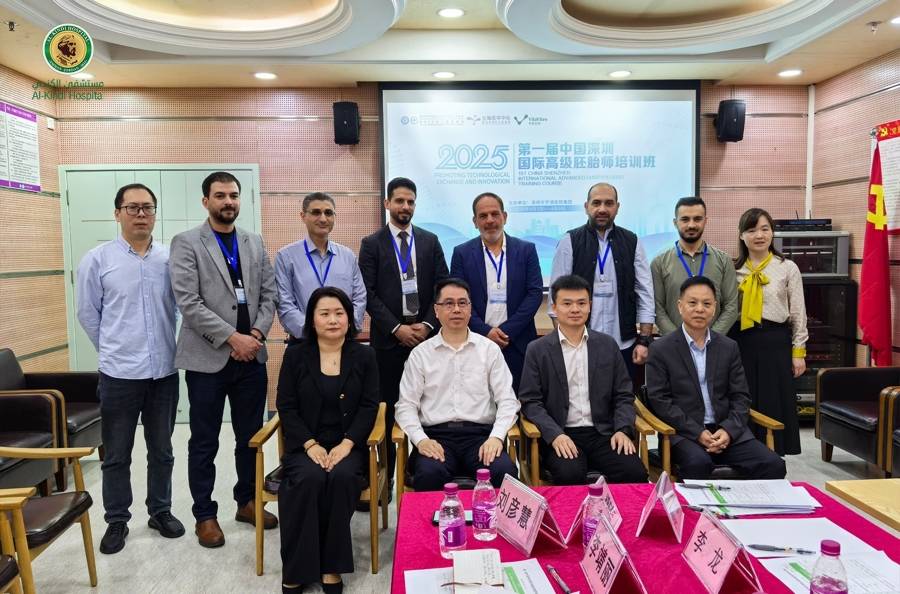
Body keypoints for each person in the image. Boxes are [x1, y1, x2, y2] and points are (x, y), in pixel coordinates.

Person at [169, 171, 278, 548]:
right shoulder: (186, 243)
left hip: (252, 359)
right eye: (220, 195)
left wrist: (256, 336)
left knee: (251, 437)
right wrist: (233, 338)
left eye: (233, 195)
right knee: (204, 440)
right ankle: (205, 514)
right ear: (206, 201)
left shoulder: (253, 241)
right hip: (208, 360)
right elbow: (189, 302)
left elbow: (269, 294)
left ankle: (247, 501)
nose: (228, 201)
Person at [76, 183, 183, 554]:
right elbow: (88, 314)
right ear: (117, 213)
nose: (141, 214)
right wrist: (113, 348)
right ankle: (117, 520)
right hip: (119, 374)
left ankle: (160, 511)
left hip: (163, 373)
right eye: (132, 207)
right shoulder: (98, 259)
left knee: (162, 450)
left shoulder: (169, 258)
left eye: (148, 207)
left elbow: (180, 307)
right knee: (117, 454)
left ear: (155, 213)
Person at [276, 287, 379, 594]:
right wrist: (310, 444)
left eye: (339, 313)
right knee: (308, 479)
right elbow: (286, 407)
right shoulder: (295, 355)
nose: (333, 320)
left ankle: (331, 566)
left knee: (342, 477)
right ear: (312, 319)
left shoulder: (365, 355)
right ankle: (298, 569)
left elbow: (370, 406)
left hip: (348, 444)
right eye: (325, 314)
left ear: (349, 318)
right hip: (306, 444)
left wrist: (348, 444)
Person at [645, 276, 786, 480]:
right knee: (698, 464)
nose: (699, 309)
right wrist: (697, 432)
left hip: (727, 432)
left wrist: (728, 430)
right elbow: (660, 401)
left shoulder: (728, 347)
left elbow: (741, 397)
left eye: (706, 304)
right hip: (684, 434)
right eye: (692, 303)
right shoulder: (661, 349)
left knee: (773, 465)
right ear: (680, 306)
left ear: (714, 308)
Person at [358, 177, 449, 485]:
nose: (405, 206)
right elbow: (367, 293)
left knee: (430, 406)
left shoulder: (430, 241)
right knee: (388, 411)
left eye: (410, 201)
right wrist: (397, 328)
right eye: (399, 200)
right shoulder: (371, 244)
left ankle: (421, 469)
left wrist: (428, 324)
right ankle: (386, 479)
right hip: (388, 343)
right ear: (387, 203)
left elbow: (442, 286)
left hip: (428, 339)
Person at [519, 275, 648, 485]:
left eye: (581, 303)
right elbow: (530, 402)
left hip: (604, 433)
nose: (575, 309)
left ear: (590, 306)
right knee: (569, 474)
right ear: (554, 307)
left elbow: (624, 395)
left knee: (634, 472)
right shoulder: (538, 350)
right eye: (567, 304)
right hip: (562, 433)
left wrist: (623, 430)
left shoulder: (607, 345)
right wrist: (554, 435)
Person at [395, 278, 520, 491]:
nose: (456, 309)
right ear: (436, 310)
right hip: (436, 436)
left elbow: (508, 401)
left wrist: (497, 437)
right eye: (448, 303)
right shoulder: (420, 354)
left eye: (462, 303)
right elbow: (405, 406)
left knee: (503, 470)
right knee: (429, 473)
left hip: (480, 436)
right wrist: (421, 440)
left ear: (470, 309)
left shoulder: (489, 350)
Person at [548, 182, 654, 384]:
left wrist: (644, 340)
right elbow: (556, 296)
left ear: (617, 207)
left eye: (609, 203)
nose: (602, 209)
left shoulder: (632, 241)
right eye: (596, 203)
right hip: (580, 343)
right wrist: (563, 343)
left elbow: (645, 292)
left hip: (624, 343)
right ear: (586, 206)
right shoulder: (569, 240)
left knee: (623, 397)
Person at [449, 192, 543, 392]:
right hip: (475, 342)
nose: (490, 220)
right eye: (483, 216)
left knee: (518, 400)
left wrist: (506, 331)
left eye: (495, 214)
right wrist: (485, 332)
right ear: (475, 222)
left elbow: (534, 294)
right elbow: (458, 299)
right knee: (478, 400)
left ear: (504, 217)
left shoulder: (526, 250)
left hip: (517, 343)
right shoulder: (461, 253)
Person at [731, 208, 807, 455]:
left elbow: (798, 313)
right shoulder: (733, 269)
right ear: (741, 235)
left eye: (765, 229)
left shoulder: (787, 268)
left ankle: (774, 454)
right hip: (741, 340)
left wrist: (798, 352)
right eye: (752, 230)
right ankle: (745, 450)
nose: (759, 235)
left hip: (775, 340)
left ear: (772, 233)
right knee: (744, 396)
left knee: (774, 399)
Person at [274, 192, 366, 343]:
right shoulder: (286, 256)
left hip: (343, 341)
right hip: (304, 342)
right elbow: (285, 304)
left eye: (328, 213)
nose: (323, 219)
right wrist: (313, 330)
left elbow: (360, 298)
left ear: (334, 217)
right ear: (303, 216)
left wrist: (345, 327)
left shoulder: (348, 256)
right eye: (316, 212)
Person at [651, 196, 739, 335]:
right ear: (675, 222)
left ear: (705, 221)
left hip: (714, 344)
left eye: (697, 219)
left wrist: (710, 339)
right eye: (685, 219)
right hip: (674, 345)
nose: (691, 225)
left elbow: (731, 306)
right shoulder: (659, 263)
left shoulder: (724, 261)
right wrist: (679, 340)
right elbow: (657, 308)